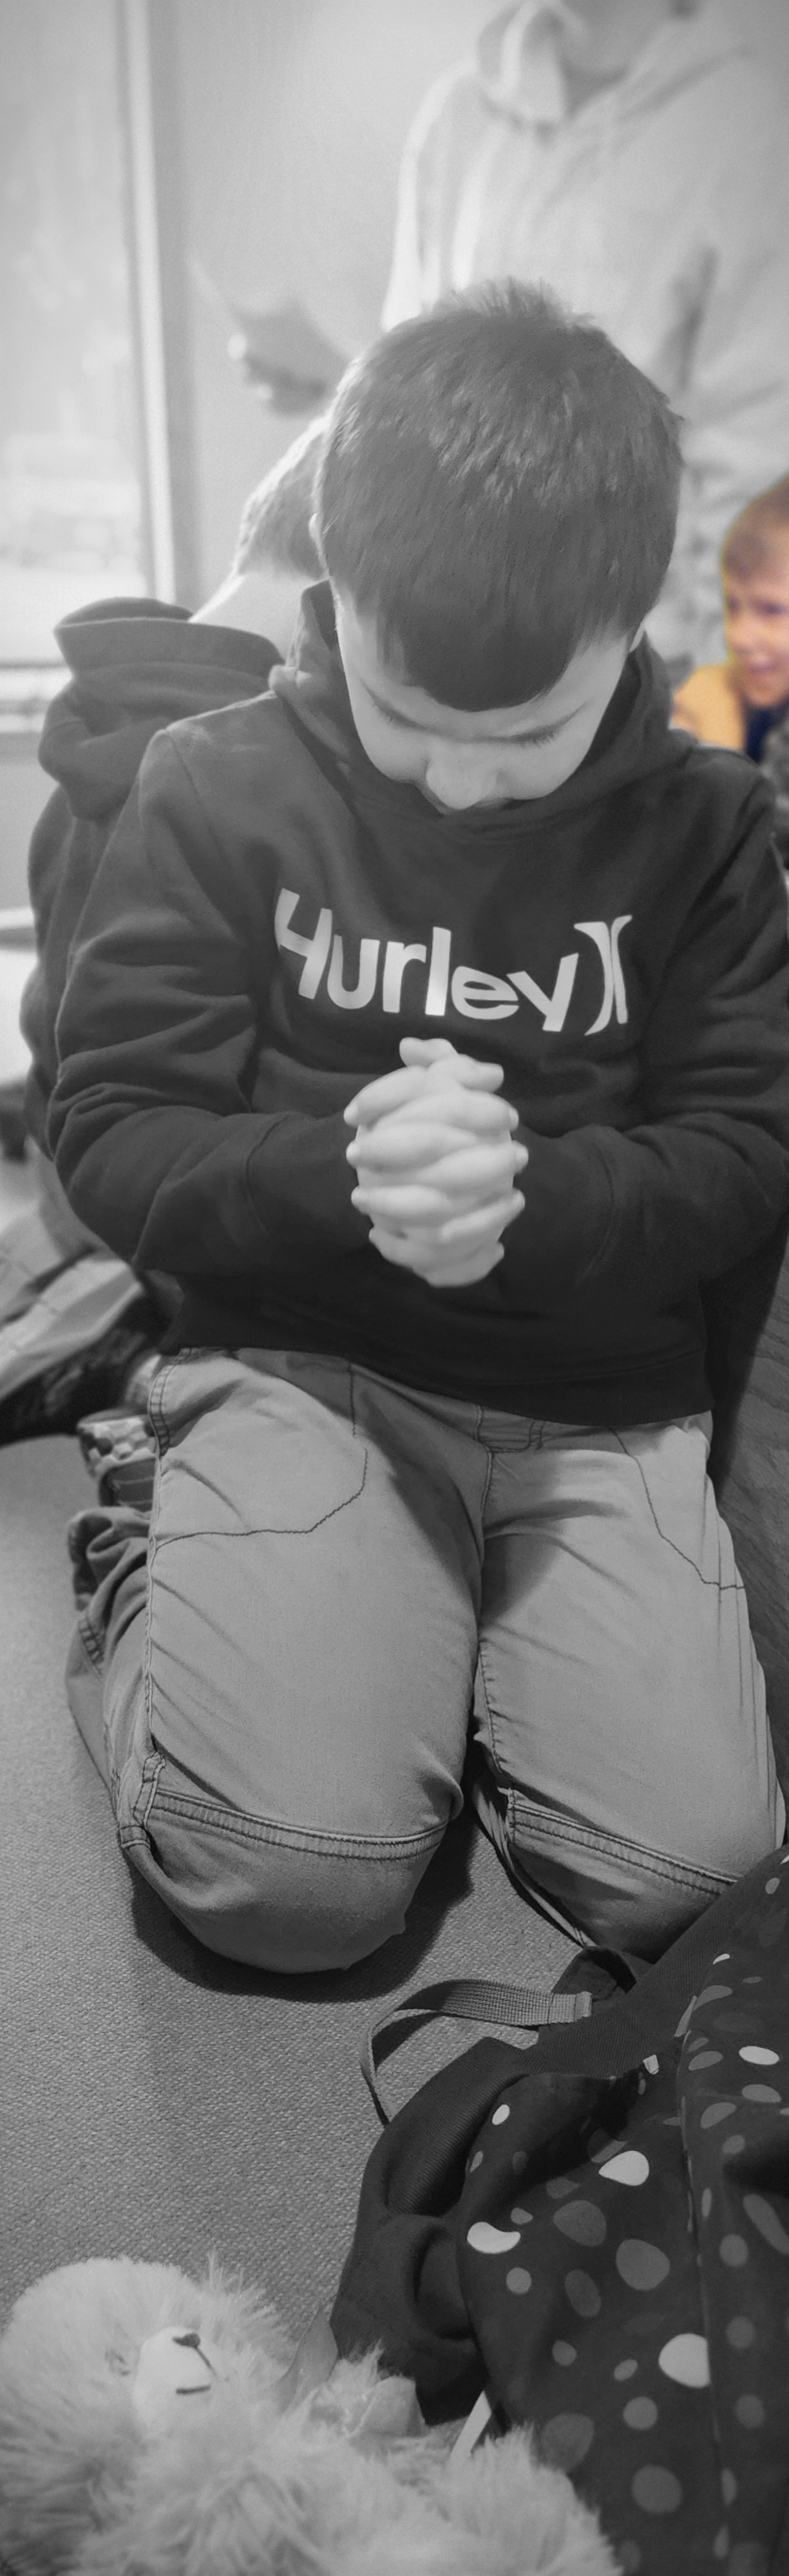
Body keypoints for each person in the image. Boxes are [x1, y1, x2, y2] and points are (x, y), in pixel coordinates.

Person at [48, 283, 789, 1977]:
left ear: (631, 627)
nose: (457, 785)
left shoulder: (711, 831)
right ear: (339, 594)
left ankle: (392, 1649)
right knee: (286, 1884)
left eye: (523, 737)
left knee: (685, 1881)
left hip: (597, 1403)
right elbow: (113, 1127)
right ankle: (155, 1546)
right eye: (406, 715)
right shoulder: (216, 781)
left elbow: (743, 1151)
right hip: (308, 1365)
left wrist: (530, 1197)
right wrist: (343, 1177)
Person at [239, 0, 789, 682]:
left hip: (637, 648)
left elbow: (752, 442)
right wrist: (338, 392)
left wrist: (730, 688)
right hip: (448, 627)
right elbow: (415, 374)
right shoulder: (460, 112)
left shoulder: (746, 127)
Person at [0, 504, 296, 1442]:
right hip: (147, 1228)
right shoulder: (237, 767)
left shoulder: (114, 698)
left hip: (61, 1151)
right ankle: (132, 1357)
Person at [672, 477, 789, 868]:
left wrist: (718, 759)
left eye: (772, 610)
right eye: (733, 606)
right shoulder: (743, 699)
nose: (739, 636)